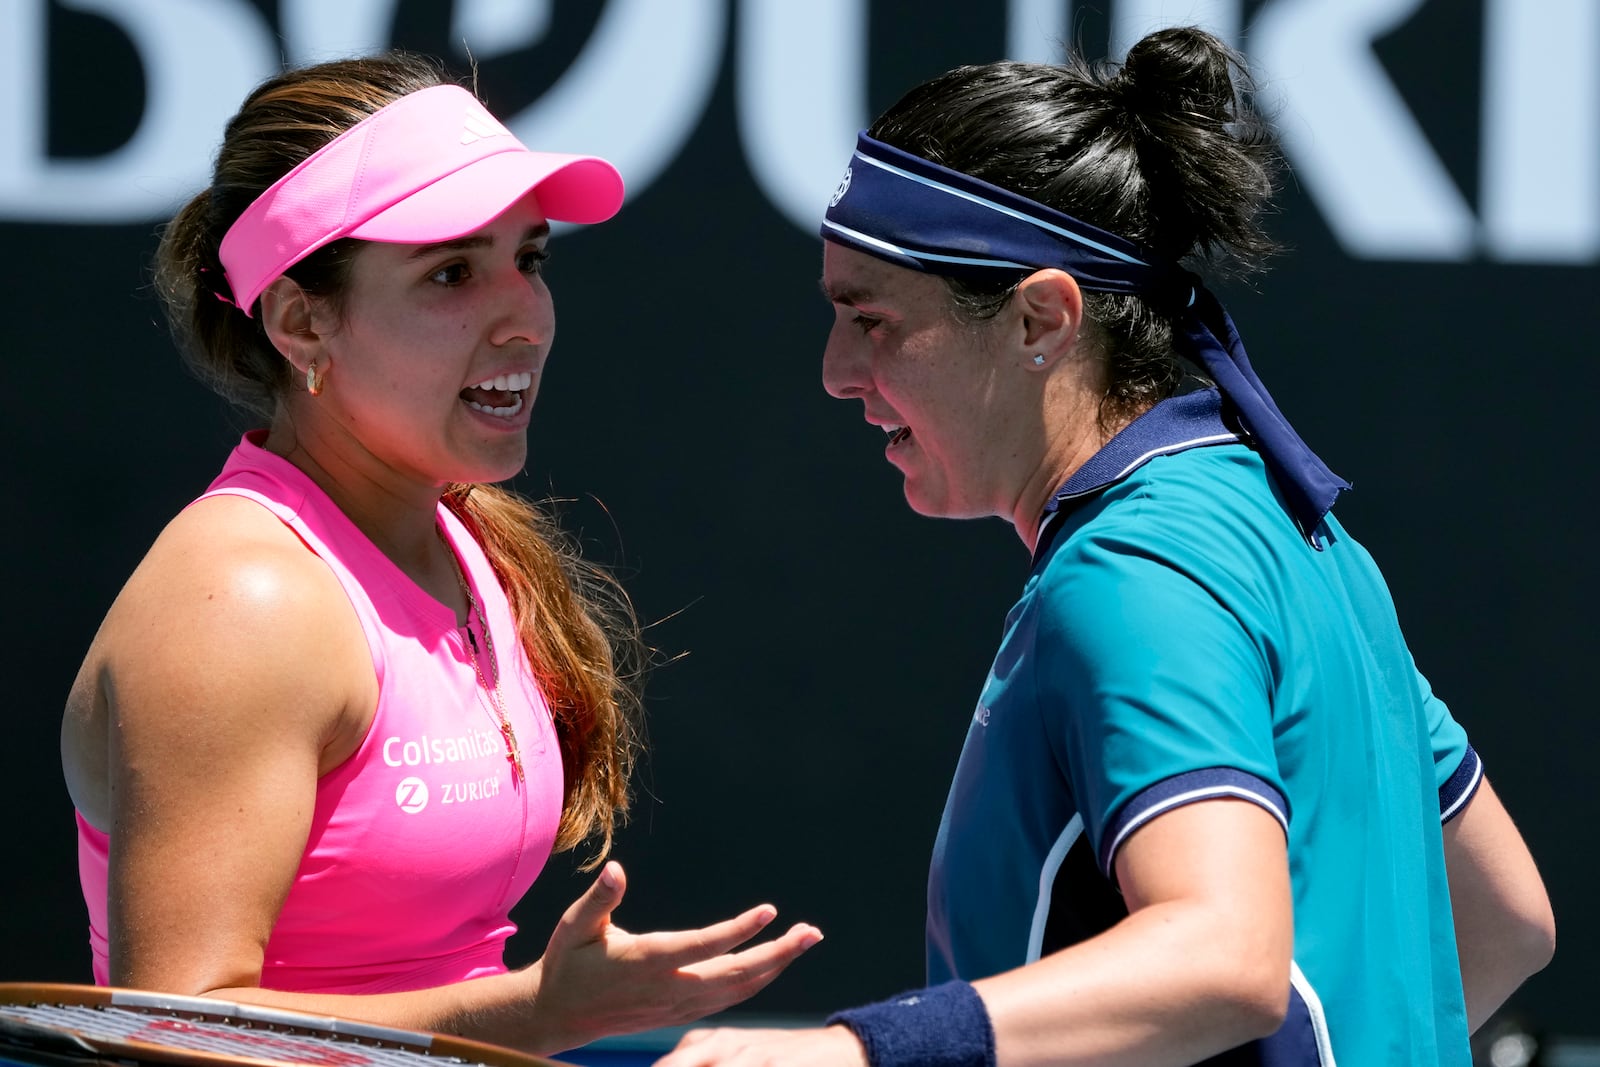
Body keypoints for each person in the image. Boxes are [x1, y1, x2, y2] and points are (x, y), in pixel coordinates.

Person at [660, 27, 1553, 1067]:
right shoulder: (1303, 539)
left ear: (1041, 317)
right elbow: (1505, 919)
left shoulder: (1134, 577)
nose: (836, 371)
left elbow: (1222, 958)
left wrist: (861, 1052)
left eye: (872, 320)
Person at [59, 52, 820, 1058]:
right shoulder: (245, 599)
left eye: (530, 257)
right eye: (452, 271)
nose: (525, 316)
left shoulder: (464, 536)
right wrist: (534, 1010)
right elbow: (174, 1033)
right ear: (300, 320)